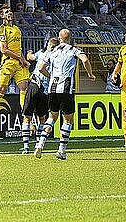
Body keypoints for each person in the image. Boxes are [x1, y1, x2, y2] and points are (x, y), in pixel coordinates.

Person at [34, 29, 95, 160]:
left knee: (51, 117)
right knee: (68, 119)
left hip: (52, 89)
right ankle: (61, 150)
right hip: (65, 89)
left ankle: (40, 143)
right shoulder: (74, 50)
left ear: (59, 38)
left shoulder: (52, 51)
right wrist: (90, 74)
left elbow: (40, 68)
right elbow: (85, 60)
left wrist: (50, 77)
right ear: (70, 38)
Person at [0, 5, 31, 135]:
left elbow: (19, 50)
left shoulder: (17, 29)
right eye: (6, 12)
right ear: (2, 16)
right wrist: (20, 59)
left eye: (10, 11)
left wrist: (23, 60)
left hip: (19, 64)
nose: (9, 13)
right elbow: (4, 50)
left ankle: (26, 118)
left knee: (24, 89)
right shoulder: (1, 30)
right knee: (1, 90)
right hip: (8, 63)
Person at [22, 37, 60, 154]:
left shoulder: (42, 53)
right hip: (45, 90)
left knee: (27, 116)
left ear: (48, 44)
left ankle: (26, 147)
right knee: (42, 117)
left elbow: (30, 58)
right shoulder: (57, 56)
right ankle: (39, 144)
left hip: (34, 85)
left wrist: (29, 52)